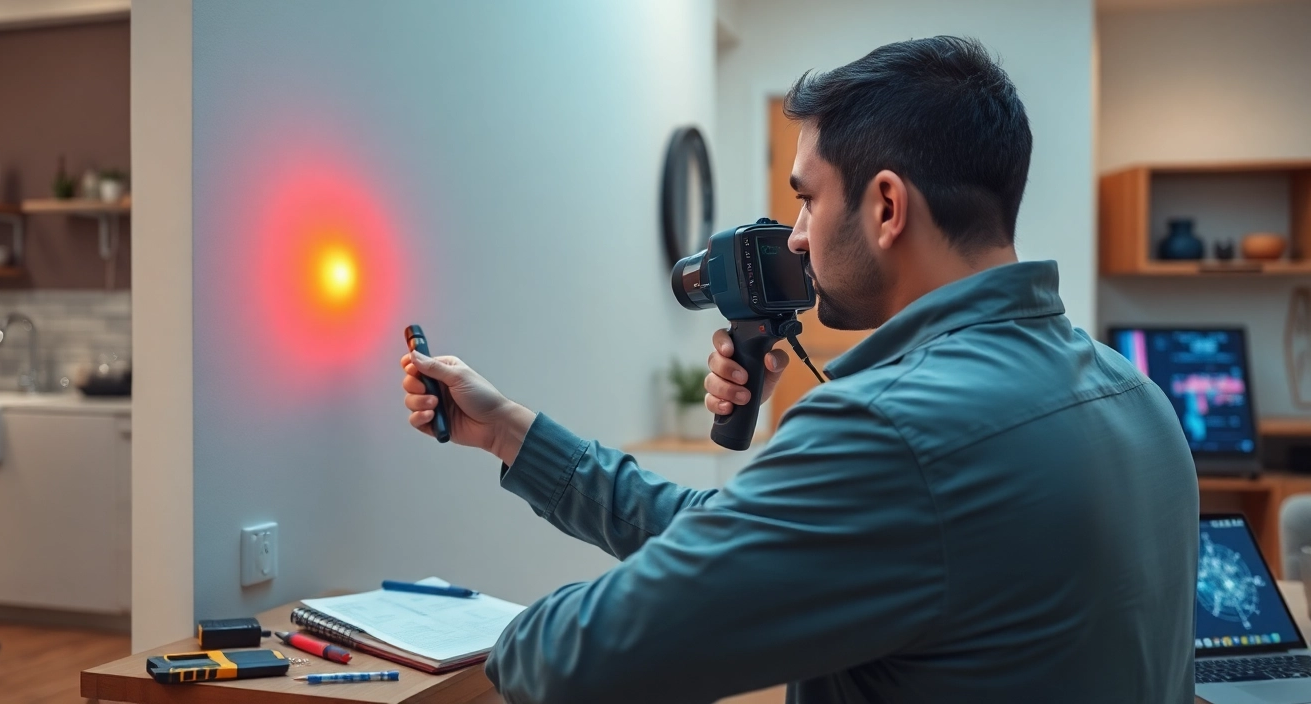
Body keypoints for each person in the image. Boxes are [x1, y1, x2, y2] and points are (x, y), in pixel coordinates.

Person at [400, 36, 1198, 704]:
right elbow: (743, 546)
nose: (795, 237)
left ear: (887, 207)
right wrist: (511, 432)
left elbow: (587, 657)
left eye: (807, 199)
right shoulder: (1136, 398)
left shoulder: (889, 430)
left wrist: (483, 639)